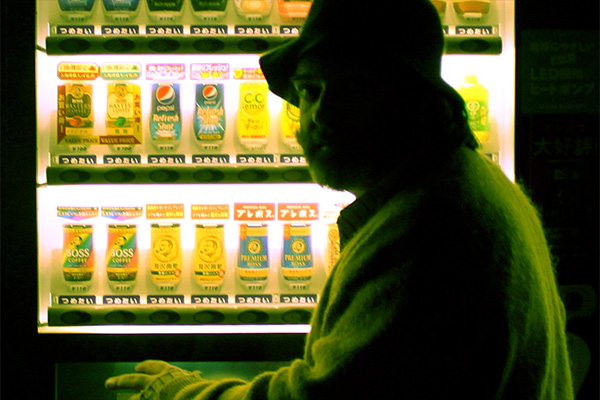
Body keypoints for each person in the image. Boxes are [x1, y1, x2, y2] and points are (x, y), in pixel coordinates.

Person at [106, 0, 574, 398]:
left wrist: (181, 392)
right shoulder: (453, 184)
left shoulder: (429, 227)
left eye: (353, 90)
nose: (320, 115)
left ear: (410, 98)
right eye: (310, 92)